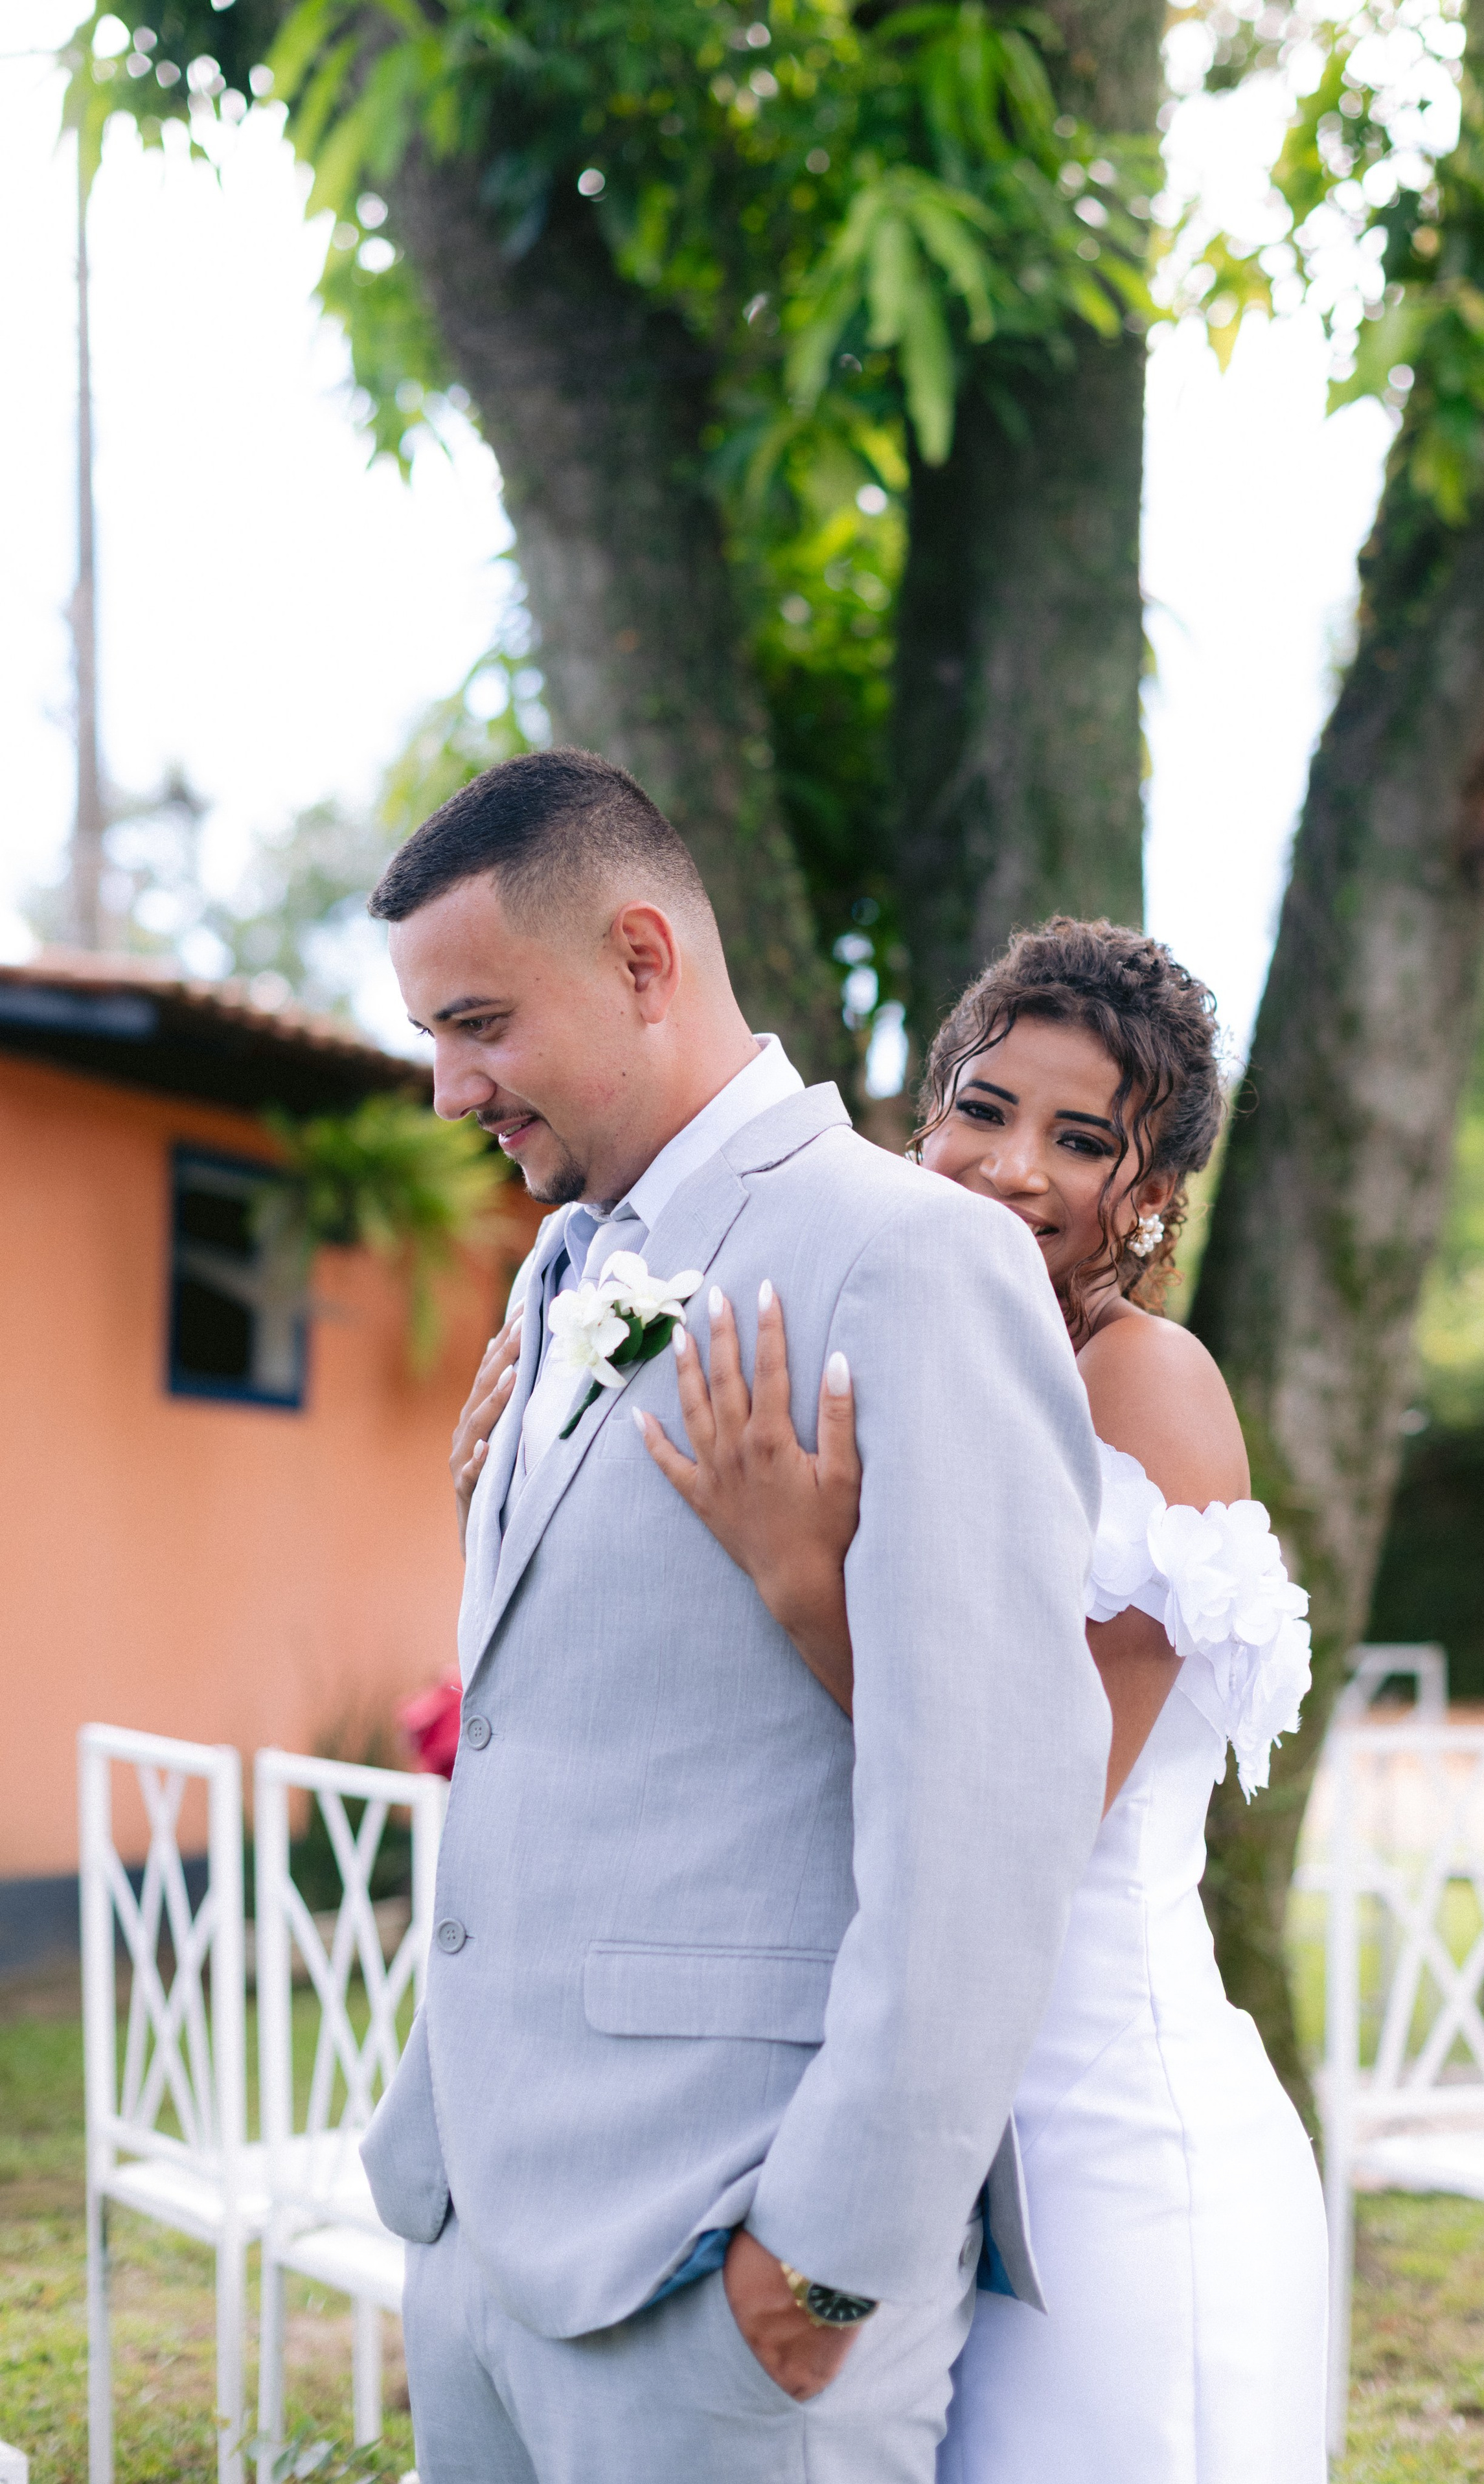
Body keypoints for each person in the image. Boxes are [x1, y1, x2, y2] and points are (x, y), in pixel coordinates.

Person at [357, 749, 1113, 2484]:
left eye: (477, 1023)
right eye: (430, 1039)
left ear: (641, 959)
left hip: (723, 2279)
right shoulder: (573, 1263)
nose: (446, 1089)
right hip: (487, 2235)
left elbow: (992, 1805)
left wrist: (823, 2257)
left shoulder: (911, 1257)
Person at [625, 917, 1330, 2483]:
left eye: (1082, 1140)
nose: (1010, 1166)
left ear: (1149, 1199)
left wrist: (805, 1575)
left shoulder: (1149, 1388)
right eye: (984, 1107)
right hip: (924, 2145)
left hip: (1103, 2158)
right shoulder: (890, 1351)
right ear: (923, 1114)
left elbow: (1023, 1801)